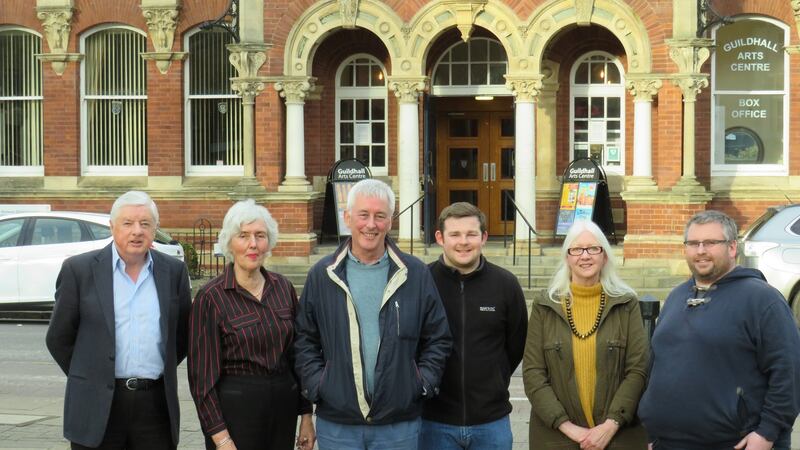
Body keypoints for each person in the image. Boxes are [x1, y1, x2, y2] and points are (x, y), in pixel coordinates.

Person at [294, 178, 452, 450]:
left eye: (380, 216)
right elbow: (304, 340)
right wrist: (319, 385)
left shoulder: (415, 274)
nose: (371, 224)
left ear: (390, 222)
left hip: (398, 425)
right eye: (363, 215)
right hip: (338, 424)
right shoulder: (322, 275)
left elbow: (438, 338)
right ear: (347, 218)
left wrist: (419, 383)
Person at [638, 210, 800, 450]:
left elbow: (789, 371)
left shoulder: (762, 300)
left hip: (734, 442)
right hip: (668, 442)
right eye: (693, 243)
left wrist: (767, 433)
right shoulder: (676, 296)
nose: (701, 250)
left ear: (732, 247)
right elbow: (657, 364)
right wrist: (653, 432)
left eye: (711, 243)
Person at [46, 190, 191, 449]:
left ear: (155, 228)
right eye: (128, 223)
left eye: (145, 224)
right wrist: (92, 375)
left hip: (154, 407)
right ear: (112, 227)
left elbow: (181, 337)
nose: (137, 231)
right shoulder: (79, 270)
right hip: (97, 406)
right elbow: (59, 338)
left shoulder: (173, 271)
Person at [187, 199, 315, 450]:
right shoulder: (211, 297)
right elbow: (202, 381)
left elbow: (296, 358)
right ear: (229, 243)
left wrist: (307, 416)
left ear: (269, 242)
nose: (252, 244)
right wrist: (221, 439)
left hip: (282, 411)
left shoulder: (283, 288)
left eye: (260, 235)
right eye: (243, 236)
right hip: (235, 414)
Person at [523, 219, 649, 450]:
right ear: (567, 257)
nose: (585, 256)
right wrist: (570, 428)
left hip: (618, 435)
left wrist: (610, 426)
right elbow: (533, 374)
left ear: (605, 256)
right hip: (557, 436)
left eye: (593, 248)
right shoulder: (545, 305)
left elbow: (638, 369)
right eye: (577, 249)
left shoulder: (626, 303)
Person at [420, 202, 528, 450]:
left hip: (491, 422)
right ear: (440, 237)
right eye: (455, 234)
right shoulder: (422, 283)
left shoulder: (506, 285)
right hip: (434, 421)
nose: (463, 242)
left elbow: (515, 346)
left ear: (484, 237)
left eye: (471, 234)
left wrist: (494, 379)